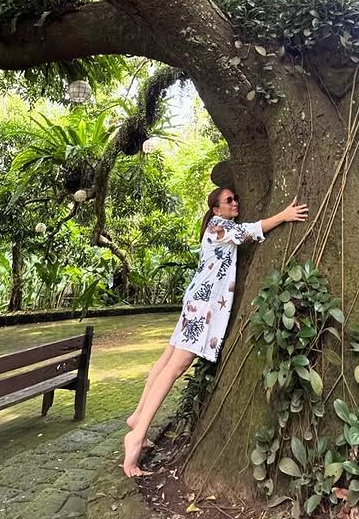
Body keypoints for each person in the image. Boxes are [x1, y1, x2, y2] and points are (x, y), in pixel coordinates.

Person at [122, 187, 308, 476]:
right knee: (176, 367)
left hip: (195, 300)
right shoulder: (220, 227)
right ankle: (136, 436)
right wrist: (284, 215)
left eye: (236, 198)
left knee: (167, 358)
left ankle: (137, 417)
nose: (235, 203)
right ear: (216, 209)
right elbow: (249, 231)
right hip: (201, 306)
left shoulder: (216, 225)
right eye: (228, 200)